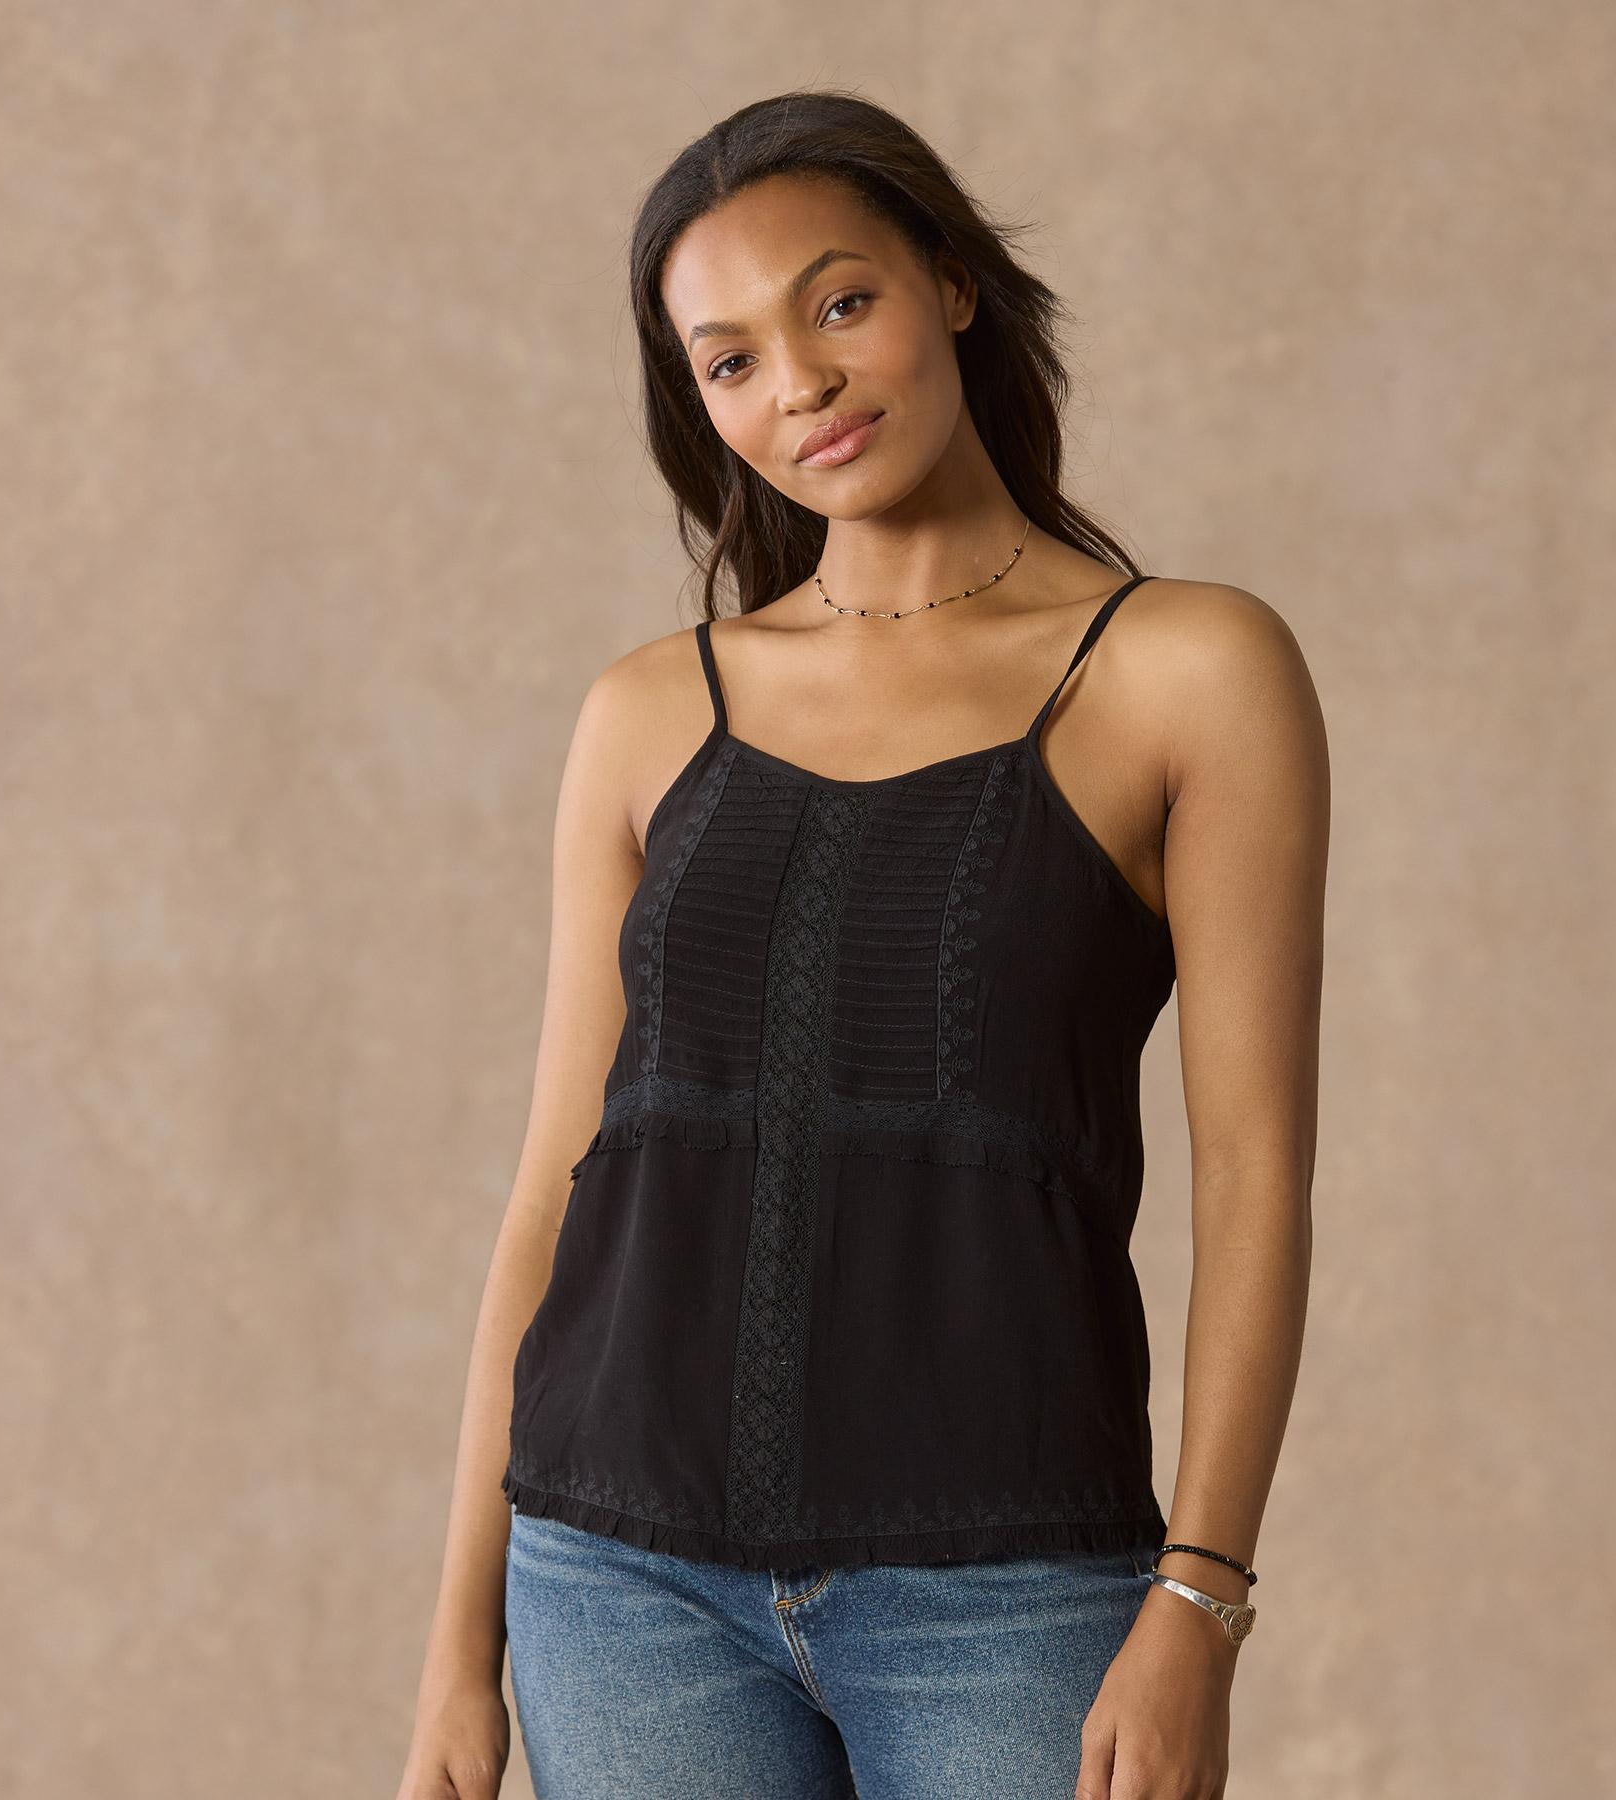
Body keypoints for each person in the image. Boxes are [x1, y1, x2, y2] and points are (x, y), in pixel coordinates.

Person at [397, 87, 1327, 1800]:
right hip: (617, 1583)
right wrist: (462, 1648)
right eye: (729, 359)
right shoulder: (648, 710)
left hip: (1007, 1585)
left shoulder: (1187, 671)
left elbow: (1256, 1174)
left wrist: (1197, 1601)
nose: (801, 384)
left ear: (953, 285)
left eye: (839, 303)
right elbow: (553, 1194)